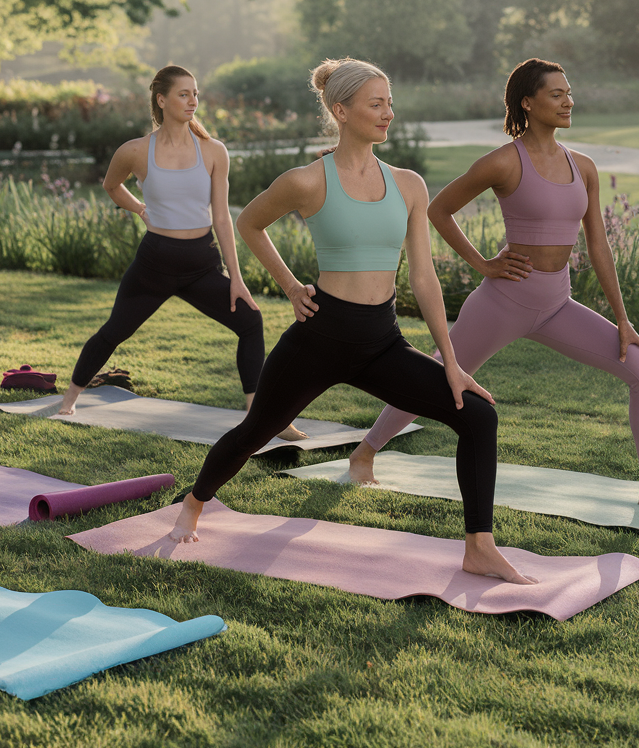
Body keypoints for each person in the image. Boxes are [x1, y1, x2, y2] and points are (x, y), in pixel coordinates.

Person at [169, 57, 537, 584]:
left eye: (390, 102)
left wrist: (451, 364)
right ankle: (194, 503)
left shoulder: (408, 185)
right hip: (320, 337)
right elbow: (249, 222)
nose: (389, 113)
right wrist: (291, 285)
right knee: (257, 429)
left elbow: (424, 280)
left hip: (380, 342)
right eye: (376, 104)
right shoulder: (307, 181)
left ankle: (479, 546)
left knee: (476, 414)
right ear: (341, 111)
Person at [348, 58, 639, 510]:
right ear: (528, 103)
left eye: (569, 92)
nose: (568, 101)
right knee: (438, 380)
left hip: (557, 304)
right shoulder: (504, 162)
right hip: (503, 303)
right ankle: (364, 453)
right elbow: (438, 210)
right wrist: (483, 264)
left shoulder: (582, 167)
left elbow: (599, 245)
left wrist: (623, 321)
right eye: (556, 94)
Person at [55, 65, 303, 442]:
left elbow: (221, 217)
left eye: (195, 93)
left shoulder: (213, 151)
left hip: (201, 264)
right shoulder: (136, 151)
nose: (193, 101)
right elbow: (111, 185)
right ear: (162, 99)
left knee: (250, 321)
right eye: (184, 94)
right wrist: (139, 208)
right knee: (114, 332)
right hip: (154, 263)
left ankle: (257, 416)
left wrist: (236, 277)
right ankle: (69, 399)